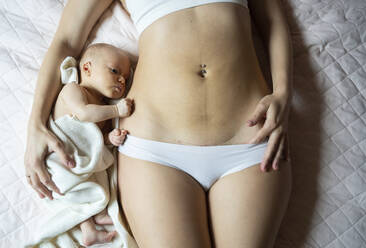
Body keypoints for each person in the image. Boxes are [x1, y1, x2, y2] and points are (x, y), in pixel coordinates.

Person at [24, 0, 293, 247]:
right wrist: (36, 123)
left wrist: (283, 93)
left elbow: (274, 21)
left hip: (249, 140)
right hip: (155, 150)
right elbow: (67, 40)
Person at [45, 43, 134, 246]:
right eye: (114, 71)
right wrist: (116, 111)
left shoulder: (102, 106)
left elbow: (95, 139)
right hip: (60, 157)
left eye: (126, 78)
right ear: (87, 68)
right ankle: (89, 223)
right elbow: (83, 114)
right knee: (74, 184)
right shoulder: (74, 89)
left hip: (81, 157)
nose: (122, 79)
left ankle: (94, 219)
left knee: (97, 181)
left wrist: (110, 138)